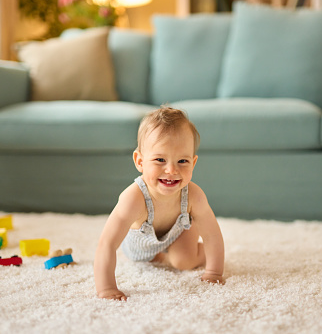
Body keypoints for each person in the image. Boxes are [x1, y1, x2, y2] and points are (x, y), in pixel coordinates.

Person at [94, 106, 225, 300]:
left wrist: (214, 272)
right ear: (139, 161)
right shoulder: (134, 198)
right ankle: (162, 255)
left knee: (184, 261)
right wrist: (106, 289)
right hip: (141, 250)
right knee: (145, 259)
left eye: (182, 161)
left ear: (193, 163)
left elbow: (212, 234)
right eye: (160, 159)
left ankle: (197, 252)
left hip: (179, 232)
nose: (171, 170)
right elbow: (107, 243)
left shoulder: (193, 196)